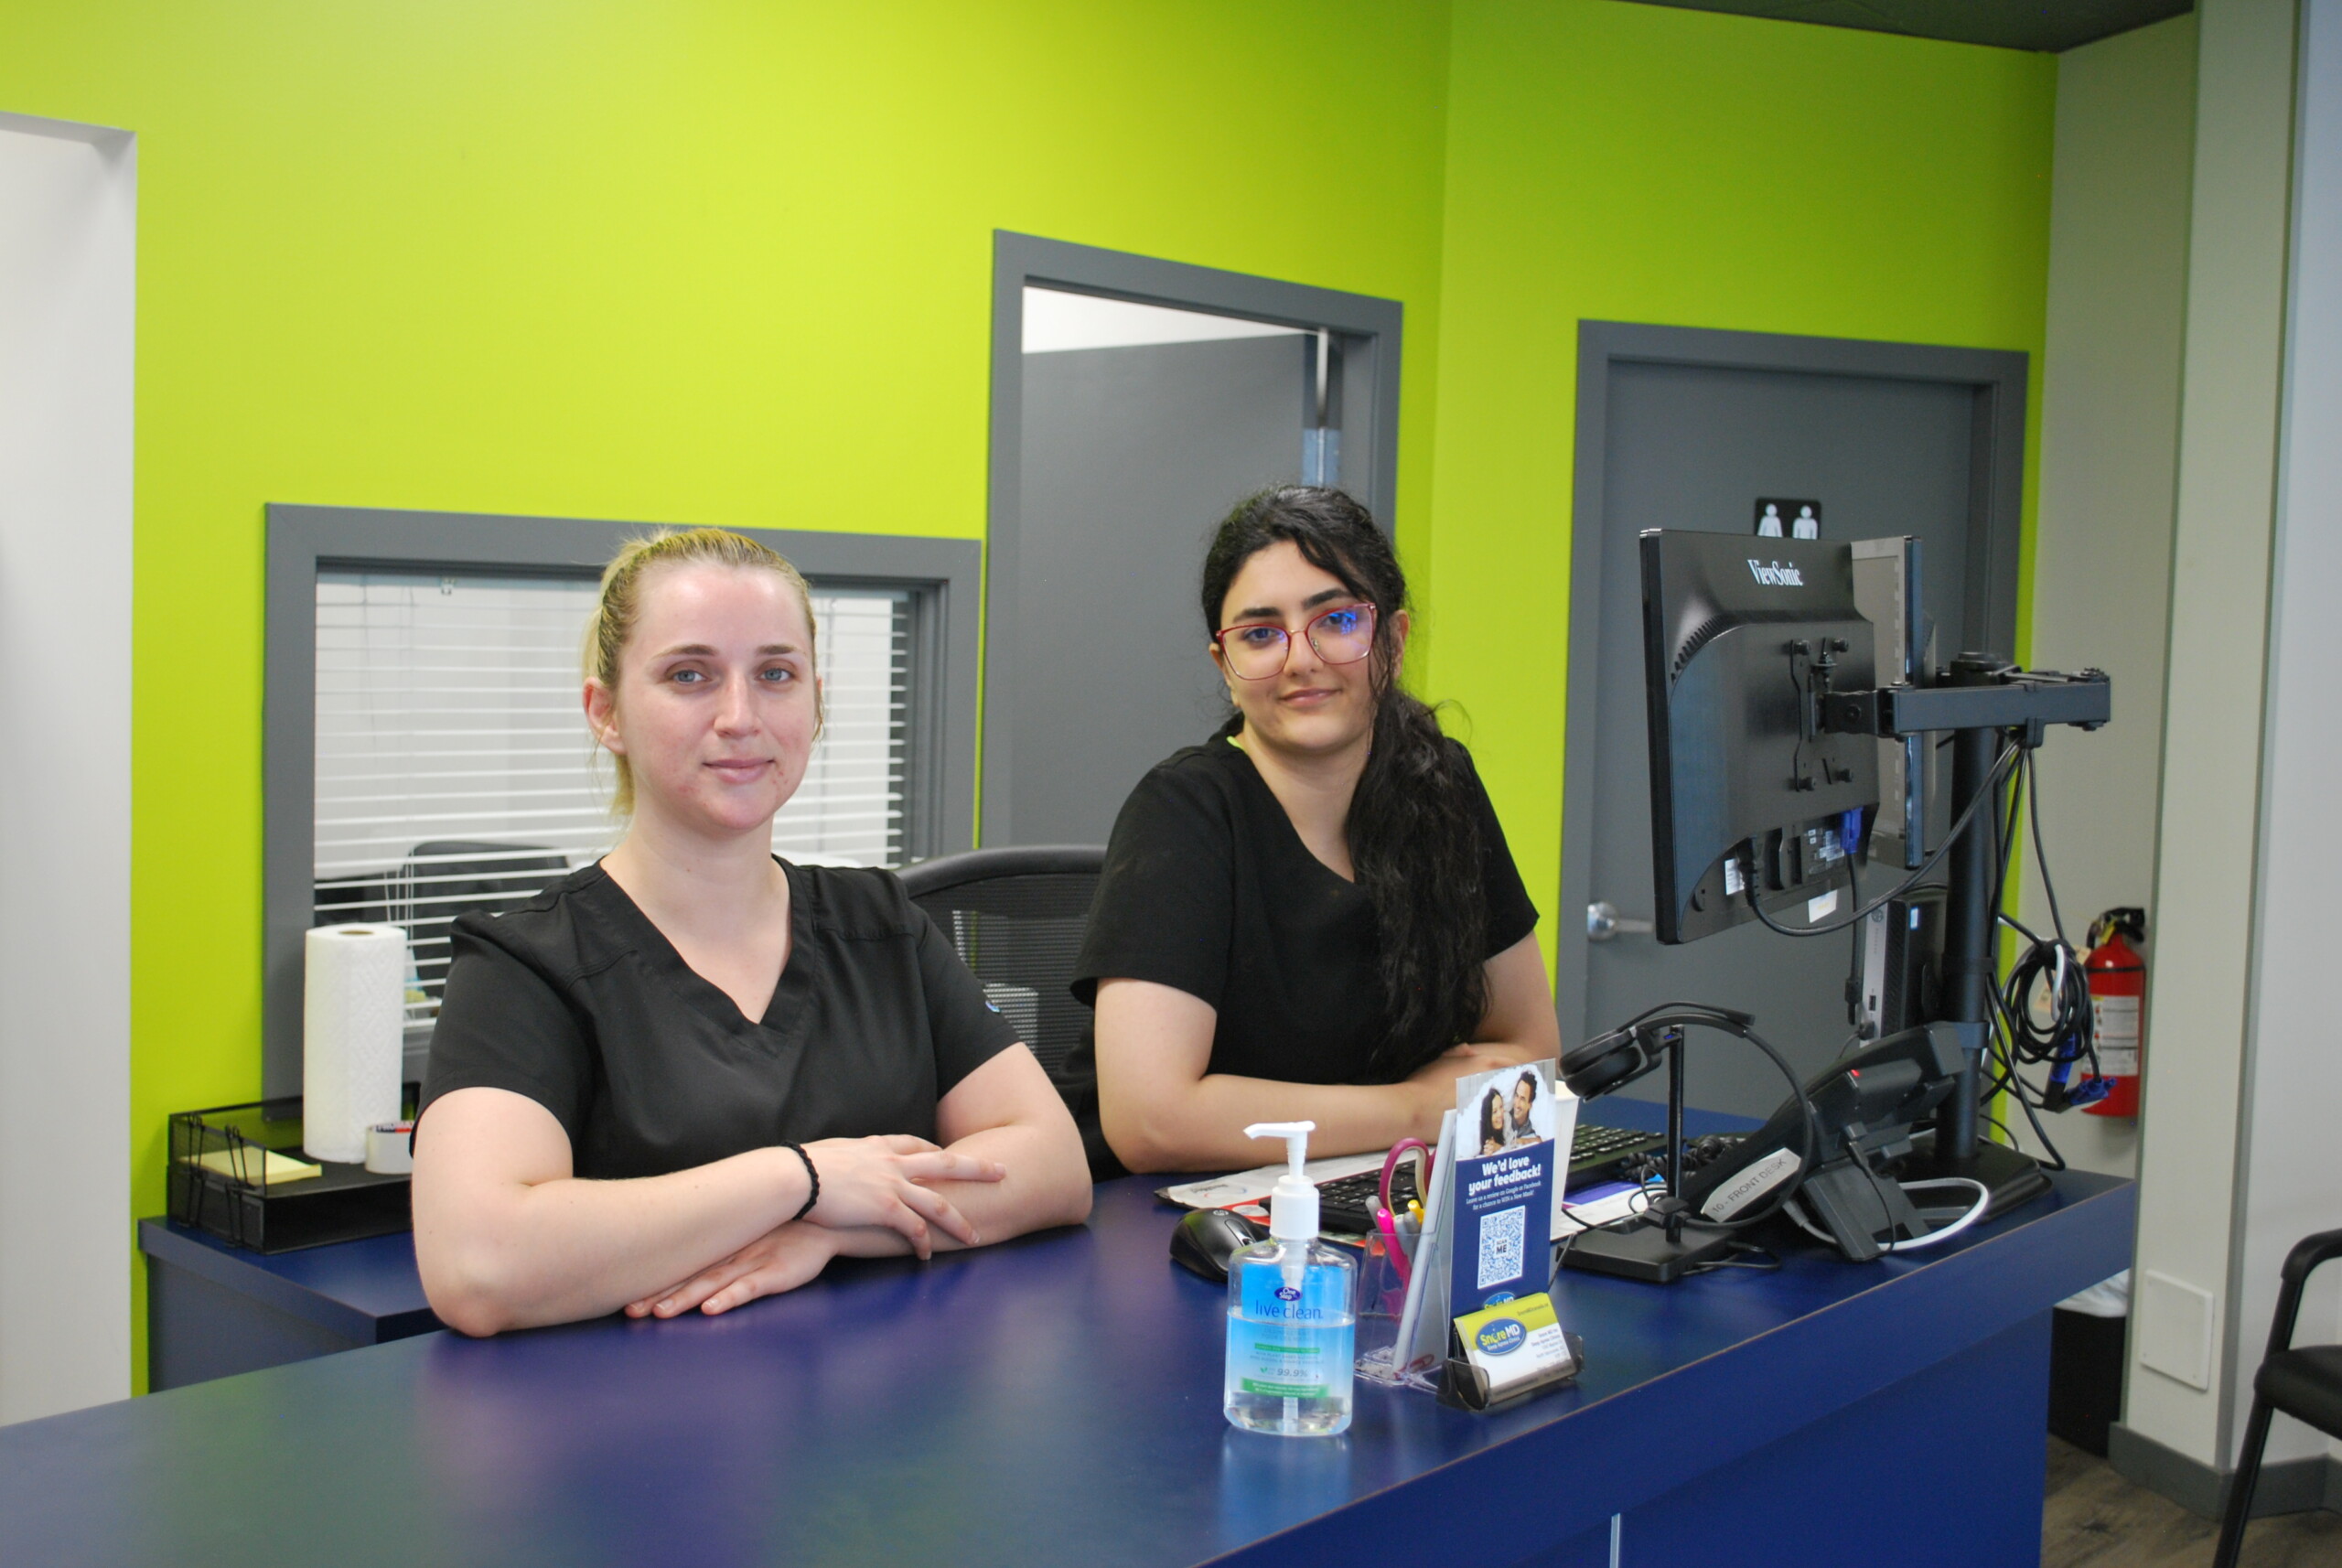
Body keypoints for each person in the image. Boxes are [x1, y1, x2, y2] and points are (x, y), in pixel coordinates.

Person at [411, 528, 1090, 1336]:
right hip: (645, 1407)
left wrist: (836, 1230)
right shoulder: (525, 965)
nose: (740, 717)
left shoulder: (880, 926)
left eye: (775, 674)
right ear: (606, 713)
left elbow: (1054, 1165)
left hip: (889, 1400)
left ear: (815, 702)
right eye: (689, 675)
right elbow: (478, 1266)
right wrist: (801, 1180)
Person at [1073, 486, 1561, 1176]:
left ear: (1393, 640)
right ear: (1225, 667)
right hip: (1172, 1212)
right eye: (1260, 634)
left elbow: (1531, 1053)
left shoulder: (1442, 783)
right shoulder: (1183, 811)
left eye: (1336, 620)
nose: (1301, 660)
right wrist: (1417, 1110)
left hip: (1370, 1189)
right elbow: (1152, 1120)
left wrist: (1417, 1118)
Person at [1508, 1071, 1544, 1148]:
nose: (1517, 1104)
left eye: (1522, 1099)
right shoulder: (1505, 1119)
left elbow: (1544, 1140)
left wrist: (1522, 1141)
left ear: (1530, 1105)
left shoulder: (1533, 1126)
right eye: (1516, 1095)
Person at [1477, 1087, 1509, 1157]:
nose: (1500, 1114)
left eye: (1501, 1107)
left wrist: (1498, 1148)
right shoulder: (1481, 1137)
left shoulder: (1507, 1122)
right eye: (1495, 1112)